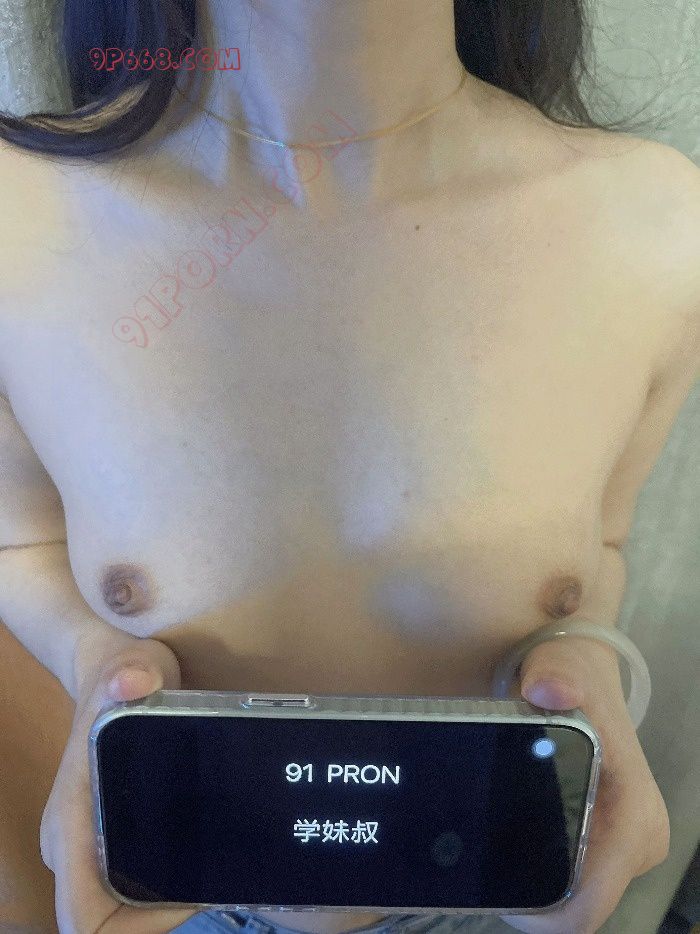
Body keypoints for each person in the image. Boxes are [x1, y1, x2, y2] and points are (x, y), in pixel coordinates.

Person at [0, 0, 698, 932]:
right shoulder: (15, 213)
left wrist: (583, 657)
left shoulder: (660, 225)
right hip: (181, 904)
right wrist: (91, 655)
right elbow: (20, 540)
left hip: (489, 900)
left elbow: (601, 543)